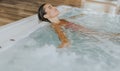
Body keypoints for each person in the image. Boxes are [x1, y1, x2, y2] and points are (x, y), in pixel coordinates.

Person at [38, 3, 120, 48]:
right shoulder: (56, 25)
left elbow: (70, 21)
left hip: (92, 34)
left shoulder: (62, 20)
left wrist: (79, 15)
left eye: (52, 6)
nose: (54, 7)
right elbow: (61, 35)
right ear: (46, 16)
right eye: (50, 7)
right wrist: (65, 42)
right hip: (92, 37)